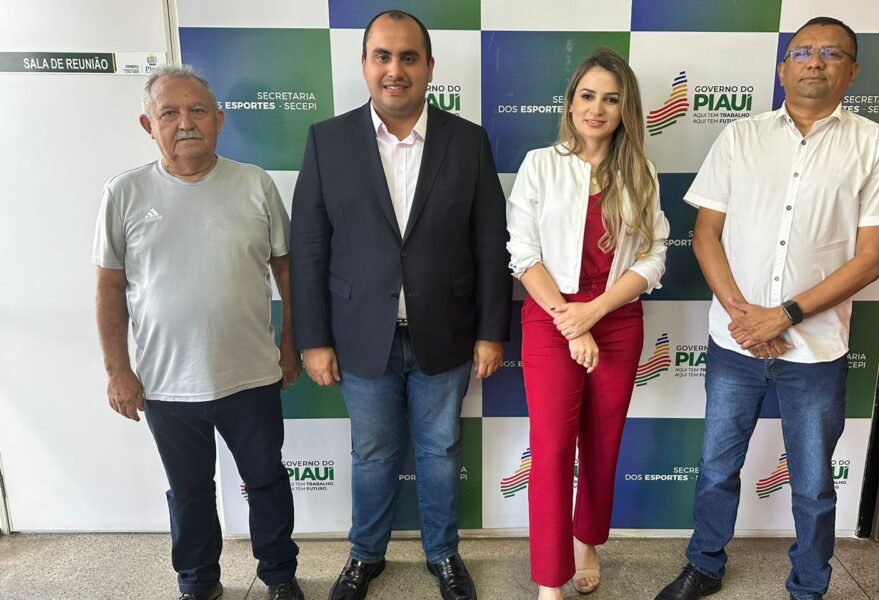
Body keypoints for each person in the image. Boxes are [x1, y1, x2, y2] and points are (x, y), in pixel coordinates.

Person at [654, 17, 879, 600]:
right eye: (802, 52)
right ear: (782, 68)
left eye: (831, 53)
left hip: (815, 351)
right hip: (735, 343)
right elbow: (705, 235)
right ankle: (704, 564)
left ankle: (809, 585)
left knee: (814, 483)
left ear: (852, 71)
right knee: (717, 467)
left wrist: (785, 315)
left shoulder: (875, 146)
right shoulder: (740, 137)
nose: (814, 62)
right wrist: (746, 317)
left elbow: (873, 258)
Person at [289, 10, 511, 600]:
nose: (395, 70)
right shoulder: (327, 140)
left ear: (430, 67)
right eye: (382, 56)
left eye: (409, 57)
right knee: (371, 452)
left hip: (447, 330)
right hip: (361, 334)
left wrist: (492, 331)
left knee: (441, 450)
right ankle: (365, 554)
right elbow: (308, 248)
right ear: (364, 65)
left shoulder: (468, 141)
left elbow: (491, 243)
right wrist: (313, 339)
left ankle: (444, 554)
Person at [93, 65, 305, 600]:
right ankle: (198, 581)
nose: (185, 122)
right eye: (169, 112)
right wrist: (118, 371)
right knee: (188, 492)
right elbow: (109, 289)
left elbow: (288, 272)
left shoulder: (255, 184)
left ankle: (279, 575)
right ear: (149, 125)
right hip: (166, 383)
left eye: (197, 111)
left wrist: (289, 346)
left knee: (267, 480)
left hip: (251, 375)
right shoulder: (124, 193)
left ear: (219, 119)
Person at [506, 49, 669, 600]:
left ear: (626, 110)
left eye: (611, 99)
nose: (597, 108)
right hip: (551, 316)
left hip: (616, 319)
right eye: (588, 95)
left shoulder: (640, 172)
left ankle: (587, 541)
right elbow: (523, 254)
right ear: (571, 103)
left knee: (602, 443)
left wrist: (594, 313)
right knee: (552, 449)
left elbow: (653, 256)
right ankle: (550, 579)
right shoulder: (540, 165)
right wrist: (573, 324)